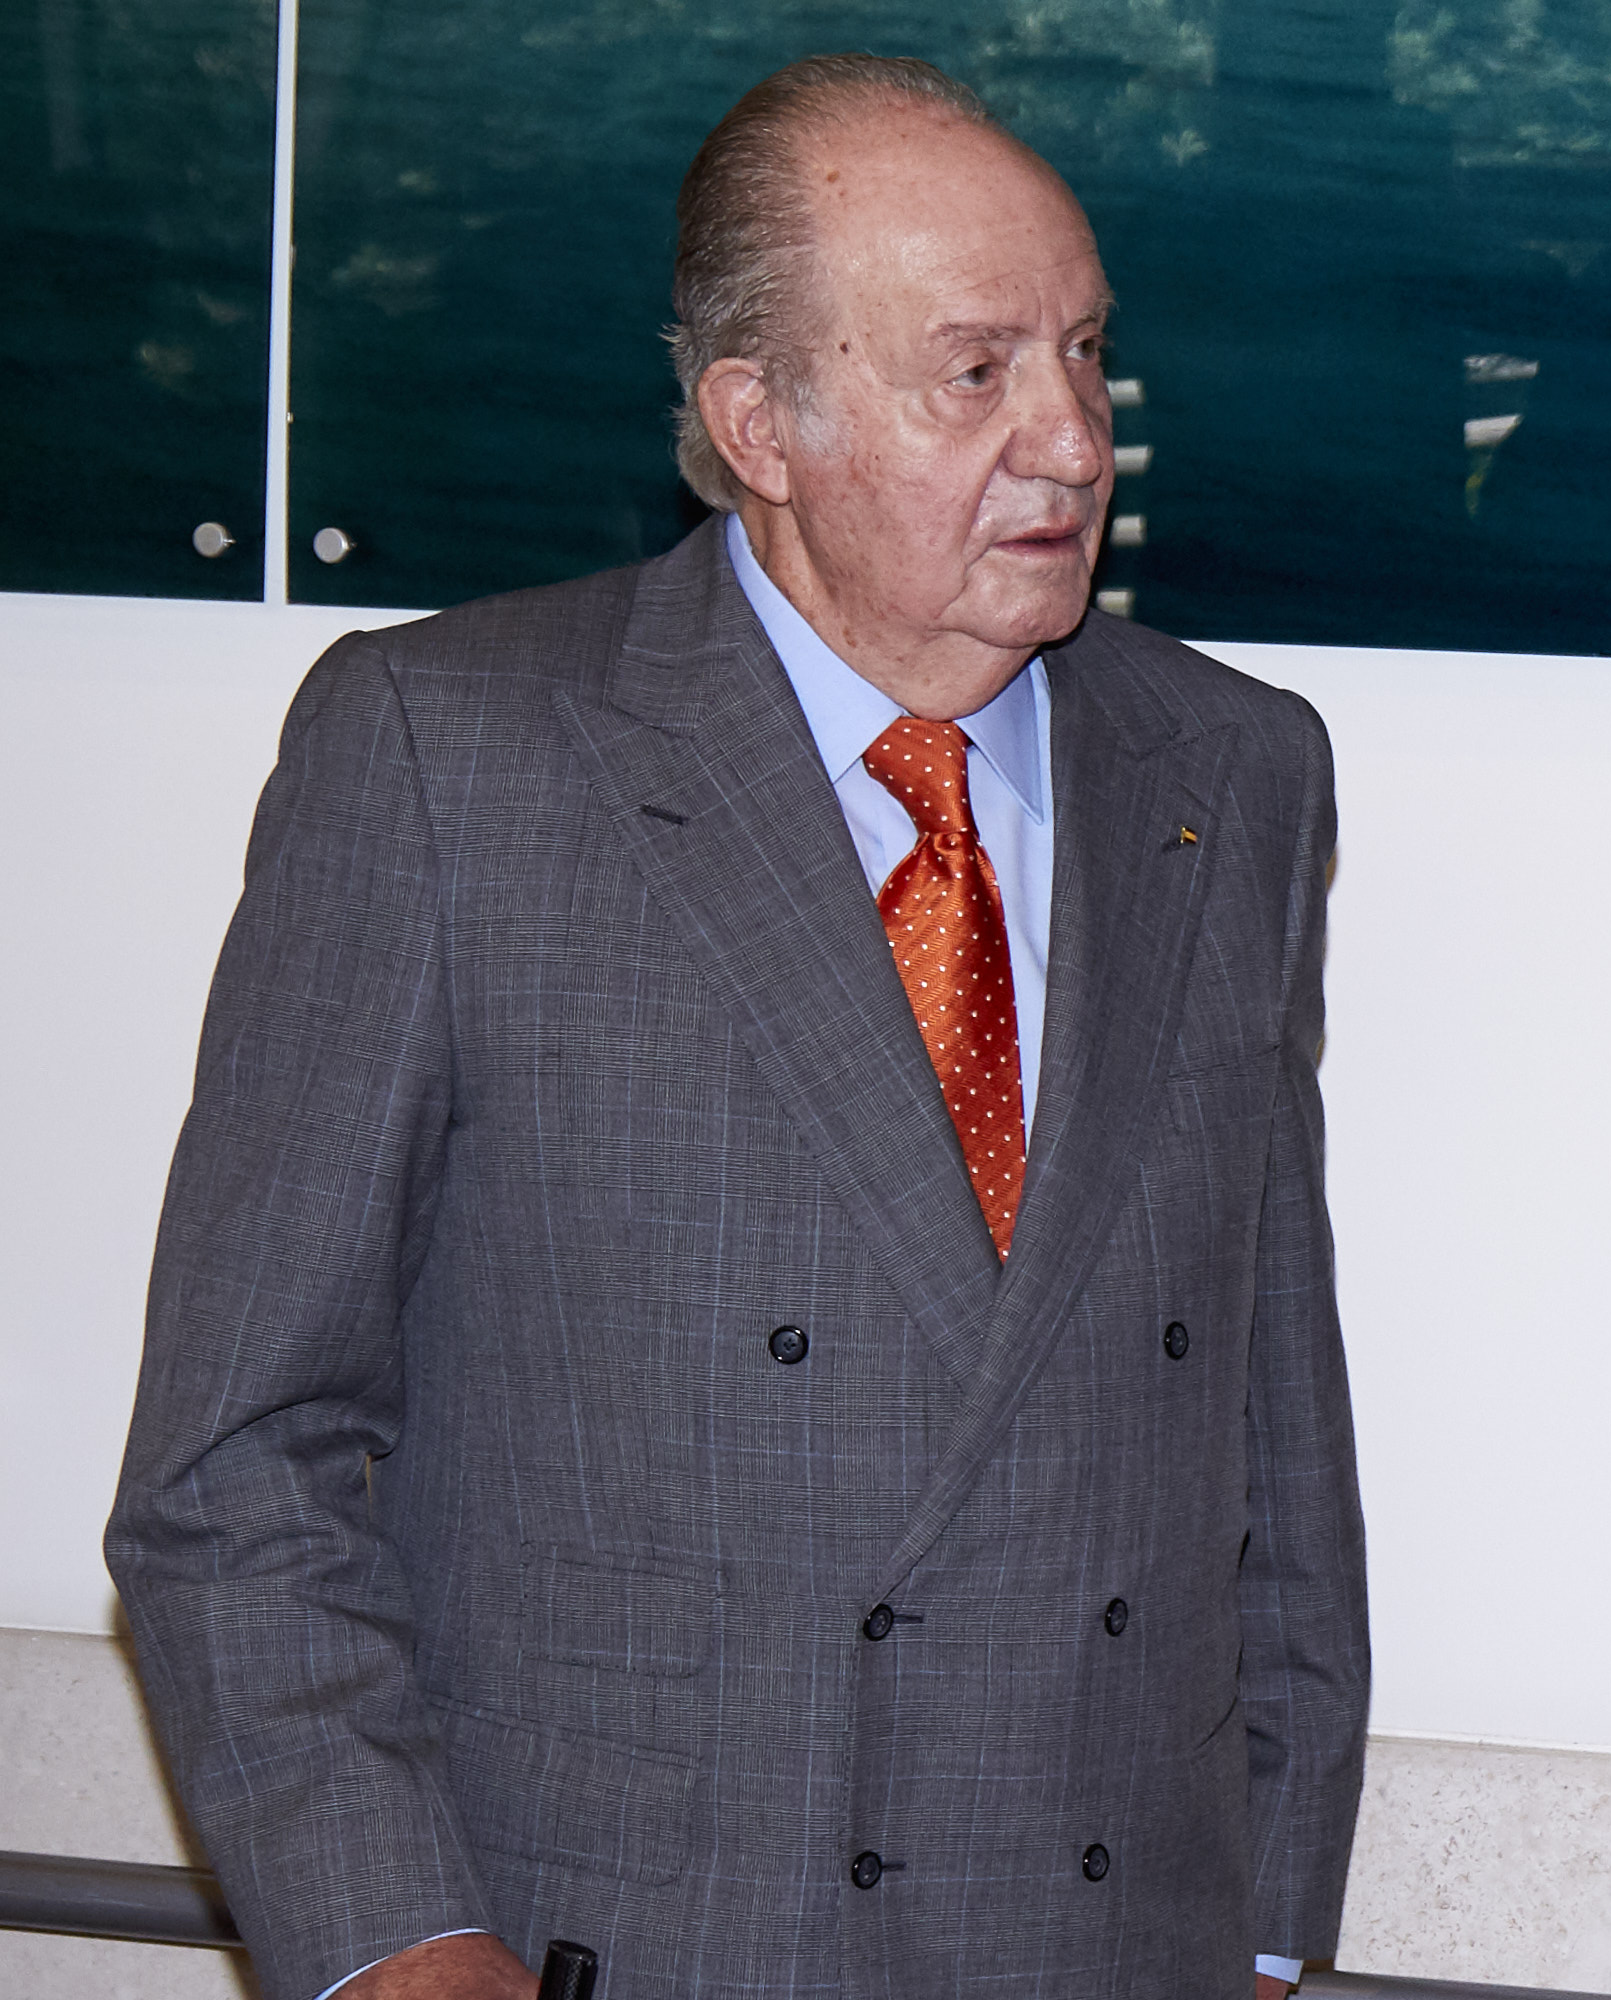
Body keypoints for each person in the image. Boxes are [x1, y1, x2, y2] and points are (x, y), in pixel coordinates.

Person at [105, 55, 1368, 2000]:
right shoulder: (458, 755)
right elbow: (234, 1469)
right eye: (977, 369)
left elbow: (1273, 1440)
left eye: (1085, 351)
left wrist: (1272, 1930)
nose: (1070, 437)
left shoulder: (1234, 770)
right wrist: (402, 1951)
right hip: (643, 1946)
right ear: (758, 421)